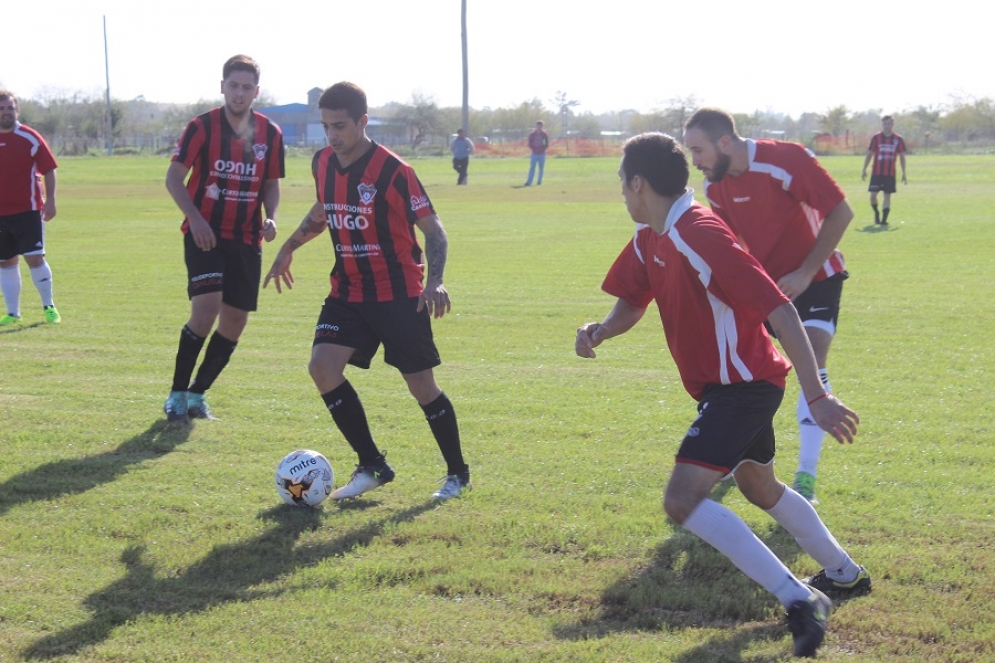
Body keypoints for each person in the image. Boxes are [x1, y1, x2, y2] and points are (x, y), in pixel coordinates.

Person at [575, 132, 870, 659]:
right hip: (731, 384)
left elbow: (780, 309)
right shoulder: (653, 234)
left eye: (621, 184)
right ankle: (846, 574)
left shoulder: (699, 232)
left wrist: (818, 395)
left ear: (638, 183)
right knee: (760, 486)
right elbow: (632, 299)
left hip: (744, 387)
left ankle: (801, 600)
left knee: (682, 498)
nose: (621, 194)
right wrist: (601, 329)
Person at [264, 82, 470, 501]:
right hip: (348, 291)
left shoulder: (395, 171)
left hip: (397, 293)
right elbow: (325, 209)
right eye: (326, 127)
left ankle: (457, 473)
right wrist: (289, 246)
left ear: (363, 121)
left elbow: (434, 229)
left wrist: (435, 280)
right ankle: (372, 463)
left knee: (421, 387)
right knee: (322, 367)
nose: (332, 136)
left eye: (340, 126)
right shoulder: (322, 162)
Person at [683, 108, 854, 504]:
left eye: (698, 150)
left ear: (725, 142)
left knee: (811, 348)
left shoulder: (787, 159)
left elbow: (841, 211)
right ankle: (745, 459)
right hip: (768, 289)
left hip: (818, 277)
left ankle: (806, 477)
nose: (695, 162)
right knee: (751, 376)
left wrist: (806, 272)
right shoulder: (717, 187)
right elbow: (735, 248)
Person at [162, 55, 284, 425]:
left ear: (256, 91)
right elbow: (173, 178)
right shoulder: (201, 127)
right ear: (222, 86)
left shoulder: (270, 134)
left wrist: (272, 217)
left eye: (247, 87)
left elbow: (271, 185)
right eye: (234, 85)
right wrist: (195, 219)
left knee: (234, 323)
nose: (240, 93)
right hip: (206, 236)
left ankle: (198, 395)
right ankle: (175, 396)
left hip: (247, 240)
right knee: (206, 309)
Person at [0, 90, 61, 326]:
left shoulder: (30, 137)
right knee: (5, 262)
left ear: (17, 111)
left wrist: (52, 201)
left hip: (28, 210)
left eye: (10, 108)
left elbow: (49, 169)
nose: (6, 112)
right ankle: (13, 312)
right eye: (2, 108)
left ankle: (49, 307)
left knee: (34, 258)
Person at [861, 115, 907, 225]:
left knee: (887, 196)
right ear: (882, 125)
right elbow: (870, 154)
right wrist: (864, 169)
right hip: (876, 173)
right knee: (873, 196)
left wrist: (904, 173)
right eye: (885, 124)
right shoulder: (876, 138)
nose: (887, 126)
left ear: (892, 124)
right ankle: (876, 213)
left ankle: (883, 220)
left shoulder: (898, 139)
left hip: (890, 174)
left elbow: (902, 156)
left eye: (889, 123)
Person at [525, 120, 549, 186]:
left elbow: (546, 144)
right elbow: (530, 143)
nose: (539, 127)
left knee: (541, 168)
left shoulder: (544, 135)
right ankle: (529, 182)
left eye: (540, 126)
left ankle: (539, 181)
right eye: (538, 125)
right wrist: (534, 149)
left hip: (542, 154)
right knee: (532, 168)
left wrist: (542, 149)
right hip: (534, 153)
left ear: (542, 126)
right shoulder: (532, 135)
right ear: (536, 126)